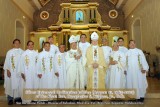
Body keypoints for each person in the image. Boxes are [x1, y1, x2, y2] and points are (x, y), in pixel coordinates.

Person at [3, 39, 24, 105]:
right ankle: (10, 99)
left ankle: (17, 98)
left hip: (19, 72)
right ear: (13, 44)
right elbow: (6, 61)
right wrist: (8, 70)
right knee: (10, 84)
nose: (17, 44)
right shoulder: (9, 52)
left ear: (20, 43)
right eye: (15, 43)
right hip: (11, 72)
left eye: (18, 43)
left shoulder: (22, 52)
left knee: (19, 85)